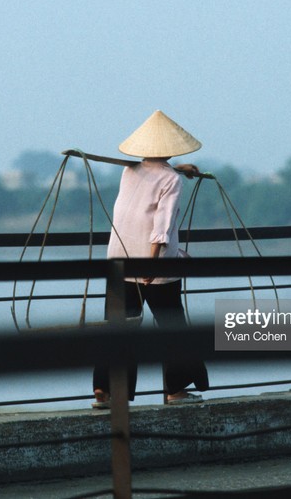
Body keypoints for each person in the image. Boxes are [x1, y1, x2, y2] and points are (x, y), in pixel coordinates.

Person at [92, 110, 210, 409]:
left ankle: (105, 390)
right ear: (169, 147)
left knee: (120, 326)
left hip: (120, 261)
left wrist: (177, 169)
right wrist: (154, 263)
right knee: (172, 325)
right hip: (153, 267)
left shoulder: (130, 171)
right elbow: (163, 227)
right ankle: (176, 390)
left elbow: (151, 181)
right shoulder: (171, 180)